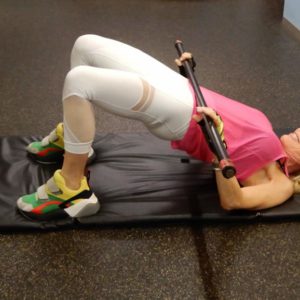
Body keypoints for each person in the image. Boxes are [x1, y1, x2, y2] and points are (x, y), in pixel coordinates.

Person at [17, 34, 300, 220]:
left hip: (179, 113)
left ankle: (72, 187)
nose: (299, 132)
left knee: (79, 81)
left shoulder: (281, 184)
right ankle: (74, 139)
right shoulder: (275, 145)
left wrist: (220, 147)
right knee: (85, 45)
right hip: (183, 88)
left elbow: (234, 201)